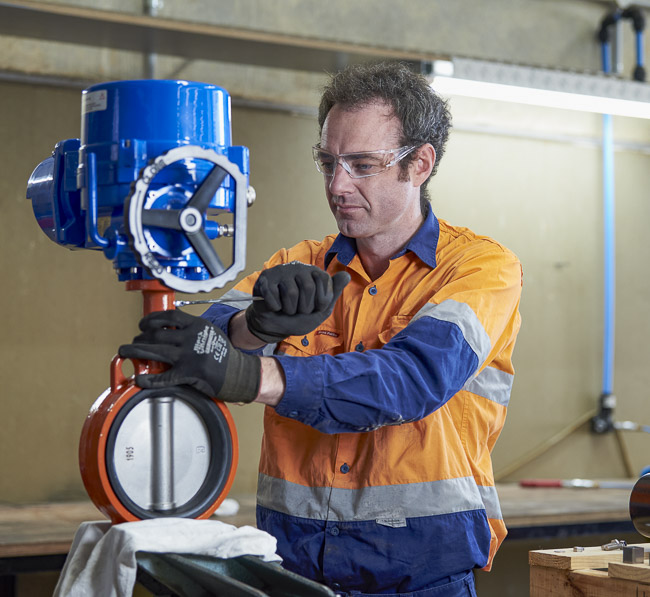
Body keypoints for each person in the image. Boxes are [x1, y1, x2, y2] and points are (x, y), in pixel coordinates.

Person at [120, 62, 522, 597]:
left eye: (361, 164)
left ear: (420, 164)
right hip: (294, 573)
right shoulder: (298, 262)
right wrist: (253, 323)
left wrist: (250, 374)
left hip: (422, 578)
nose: (338, 185)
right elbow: (208, 342)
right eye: (328, 162)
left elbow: (410, 379)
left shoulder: (481, 269)